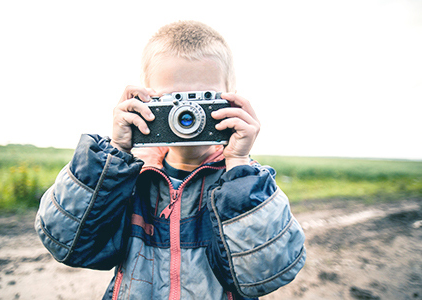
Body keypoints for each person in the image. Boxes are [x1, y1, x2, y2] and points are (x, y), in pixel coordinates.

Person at [35, 20, 306, 300]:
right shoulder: (128, 179)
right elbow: (69, 244)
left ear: (232, 98)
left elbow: (266, 273)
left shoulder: (244, 186)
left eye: (203, 99)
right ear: (144, 100)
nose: (187, 115)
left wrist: (239, 163)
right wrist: (115, 153)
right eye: (173, 100)